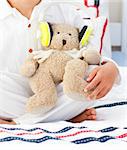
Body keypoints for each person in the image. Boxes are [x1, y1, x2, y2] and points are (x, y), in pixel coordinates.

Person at [0, 0, 119, 125]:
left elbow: (89, 51)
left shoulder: (65, 10)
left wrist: (110, 67)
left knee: (90, 78)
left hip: (57, 89)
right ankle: (59, 115)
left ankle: (19, 121)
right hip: (12, 90)